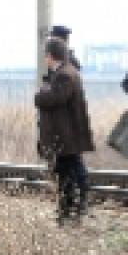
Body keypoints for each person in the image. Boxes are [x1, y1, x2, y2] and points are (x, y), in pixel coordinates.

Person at [34, 39, 94, 223]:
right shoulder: (66, 72)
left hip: (65, 136)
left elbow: (53, 98)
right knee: (68, 171)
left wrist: (39, 95)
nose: (45, 58)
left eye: (46, 55)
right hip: (66, 135)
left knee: (68, 172)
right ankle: (70, 208)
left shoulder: (64, 75)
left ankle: (73, 207)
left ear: (50, 56)